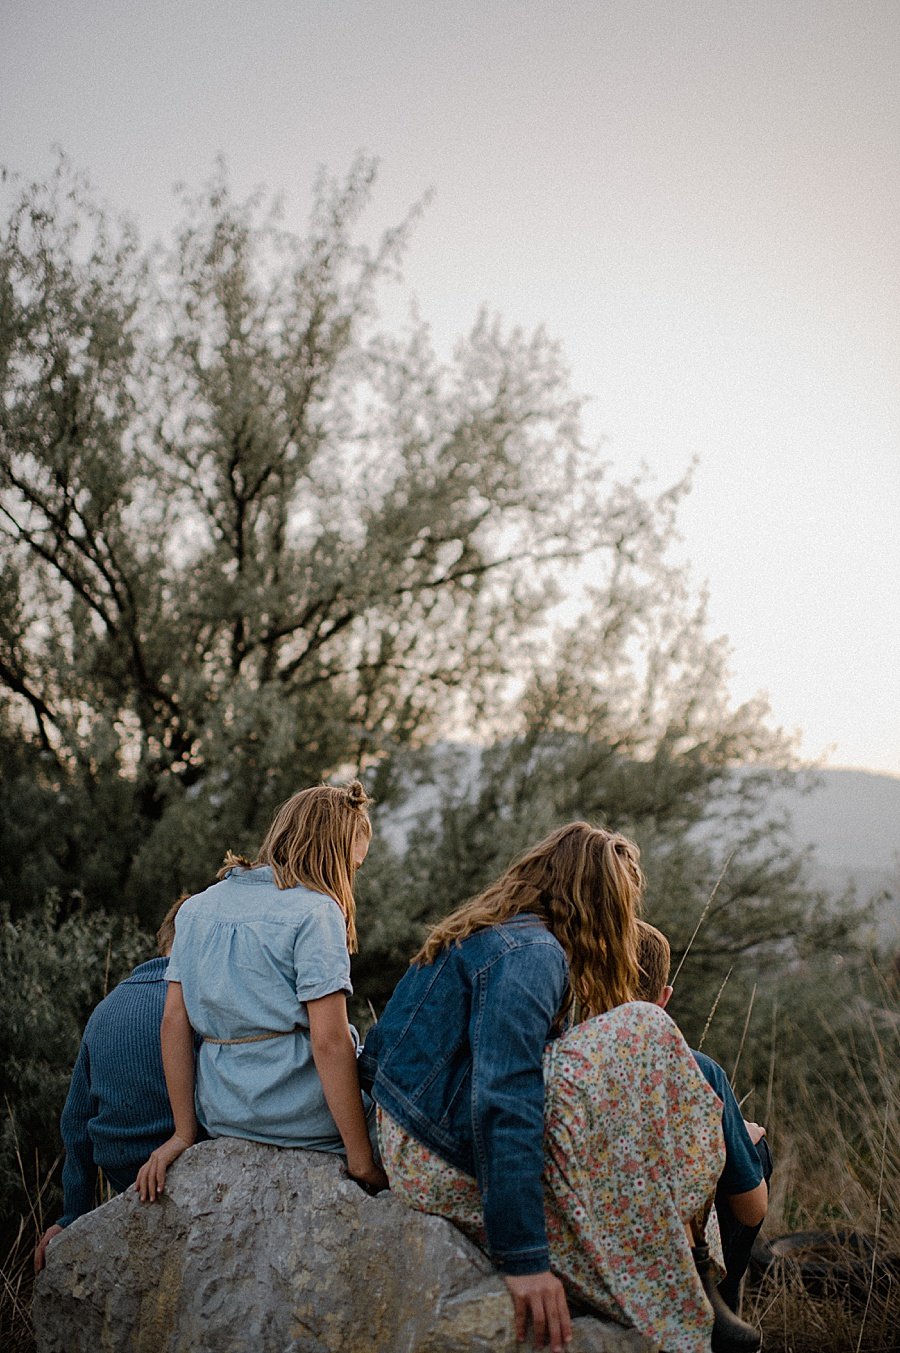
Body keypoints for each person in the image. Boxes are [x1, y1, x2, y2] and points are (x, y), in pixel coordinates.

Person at [360, 822, 761, 1353]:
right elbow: (503, 1096)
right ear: (599, 902)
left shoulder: (490, 932)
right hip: (435, 1154)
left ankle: (692, 1273)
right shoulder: (531, 953)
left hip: (414, 1138)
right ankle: (690, 1281)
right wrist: (523, 1259)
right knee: (645, 1026)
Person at [136, 780, 386, 1202]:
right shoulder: (315, 912)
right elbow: (328, 1041)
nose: (351, 880)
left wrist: (183, 1133)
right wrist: (361, 1160)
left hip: (225, 1114)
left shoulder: (196, 909)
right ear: (330, 853)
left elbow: (173, 1022)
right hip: (302, 1118)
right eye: (352, 867)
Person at [34, 896, 188, 1273]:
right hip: (180, 1163)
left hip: (121, 1171)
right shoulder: (195, 1000)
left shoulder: (106, 1008)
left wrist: (74, 1215)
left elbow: (75, 1123)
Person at [635, 919, 771, 1313]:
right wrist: (735, 1141)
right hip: (671, 1250)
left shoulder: (563, 1057)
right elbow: (752, 1209)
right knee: (758, 1152)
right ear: (664, 997)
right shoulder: (699, 1070)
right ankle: (720, 1312)